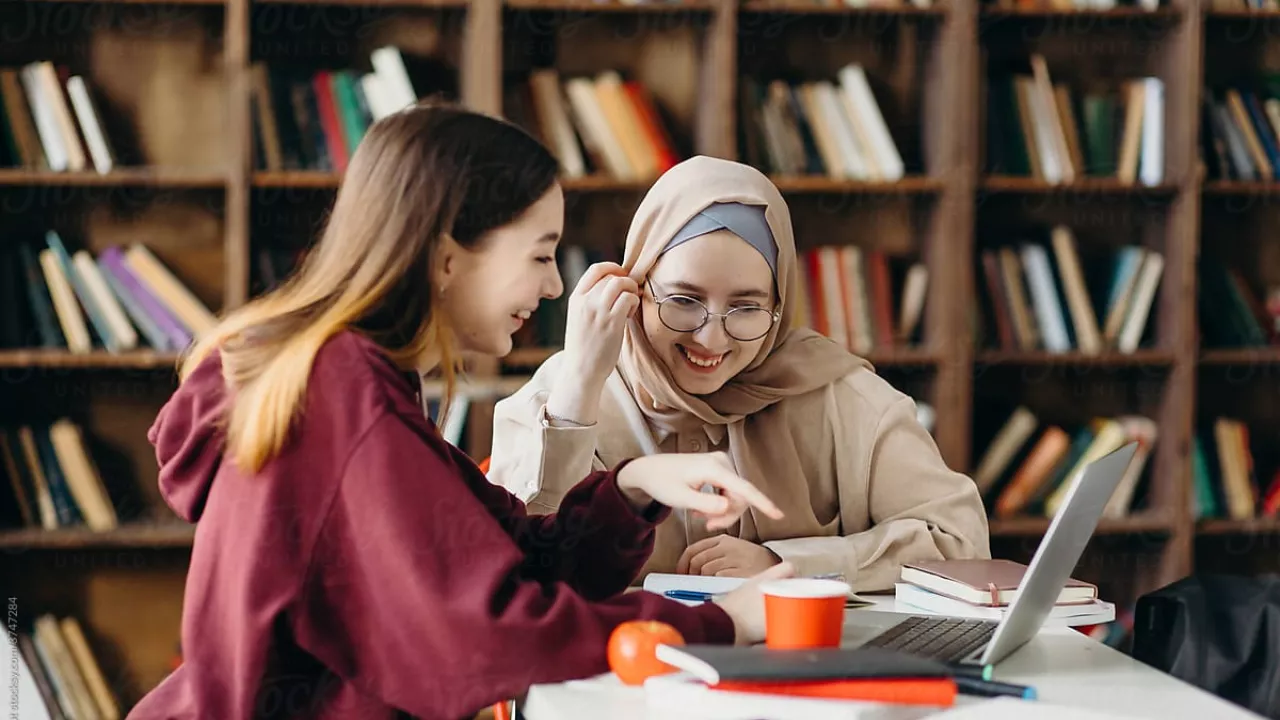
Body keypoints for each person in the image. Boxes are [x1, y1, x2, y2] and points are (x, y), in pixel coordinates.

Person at [127, 105, 795, 720]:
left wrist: (631, 487)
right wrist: (721, 626)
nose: (555, 285)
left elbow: (512, 560)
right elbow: (488, 637)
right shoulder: (342, 394)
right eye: (539, 254)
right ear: (448, 257)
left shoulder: (354, 381)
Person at [487, 155, 990, 592]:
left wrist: (790, 564)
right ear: (635, 286)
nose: (712, 339)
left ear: (780, 304)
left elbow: (959, 538)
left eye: (746, 308)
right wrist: (577, 392)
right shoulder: (567, 390)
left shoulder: (835, 393)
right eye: (683, 301)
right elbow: (517, 564)